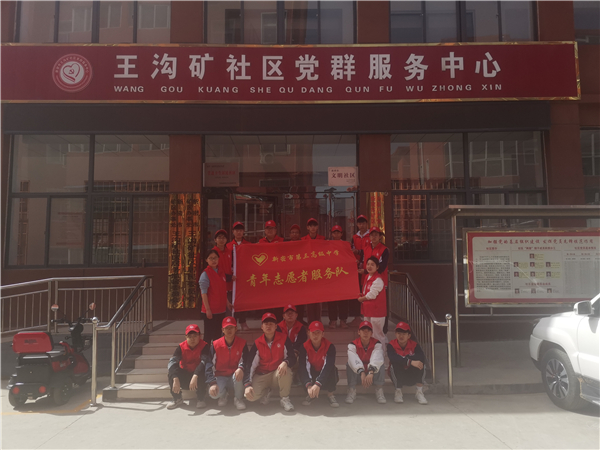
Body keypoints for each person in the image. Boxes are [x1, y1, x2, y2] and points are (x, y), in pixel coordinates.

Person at [244, 312, 297, 411]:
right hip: (262, 375)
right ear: (262, 327)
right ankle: (267, 391)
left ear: (276, 326)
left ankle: (285, 399)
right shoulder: (257, 343)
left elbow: (292, 357)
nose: (268, 326)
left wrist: (285, 362)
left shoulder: (284, 339)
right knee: (250, 397)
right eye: (266, 324)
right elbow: (250, 365)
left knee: (286, 370)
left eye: (271, 324)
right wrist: (247, 384)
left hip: (277, 374)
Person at [206, 316, 249, 410]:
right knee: (213, 394)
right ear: (222, 330)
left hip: (235, 376)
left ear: (236, 329)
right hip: (220, 376)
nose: (229, 330)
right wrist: (212, 383)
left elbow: (246, 361)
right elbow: (209, 364)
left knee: (239, 373)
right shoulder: (216, 344)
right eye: (226, 328)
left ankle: (238, 399)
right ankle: (223, 394)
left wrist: (241, 368)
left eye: (231, 327)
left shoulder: (242, 343)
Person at [167, 324, 210, 410]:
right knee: (172, 372)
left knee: (204, 370)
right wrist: (175, 378)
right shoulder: (181, 347)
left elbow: (204, 362)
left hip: (198, 376)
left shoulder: (204, 346)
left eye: (195, 336)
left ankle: (201, 398)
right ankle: (177, 398)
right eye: (190, 336)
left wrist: (195, 375)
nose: (192, 339)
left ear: (200, 336)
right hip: (186, 375)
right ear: (186, 337)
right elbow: (172, 362)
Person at [298, 321, 340, 408]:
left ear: (323, 334)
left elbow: (328, 366)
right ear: (308, 333)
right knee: (301, 370)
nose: (315, 335)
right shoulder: (304, 347)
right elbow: (303, 367)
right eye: (313, 333)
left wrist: (318, 383)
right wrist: (308, 385)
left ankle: (330, 394)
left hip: (324, 373)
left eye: (318, 333)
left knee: (332, 369)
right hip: (313, 371)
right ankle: (311, 394)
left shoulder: (330, 346)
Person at [387, 321, 428, 405]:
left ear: (409, 336)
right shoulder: (391, 345)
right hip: (398, 375)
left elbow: (421, 357)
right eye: (399, 333)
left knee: (420, 364)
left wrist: (406, 360)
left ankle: (419, 392)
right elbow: (393, 358)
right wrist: (409, 361)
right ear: (395, 334)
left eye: (404, 334)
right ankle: (398, 392)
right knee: (394, 364)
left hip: (411, 374)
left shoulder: (414, 345)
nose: (401, 336)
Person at [345, 320, 386, 404]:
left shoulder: (377, 343)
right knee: (349, 363)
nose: (365, 333)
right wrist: (361, 372)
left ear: (371, 333)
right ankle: (352, 390)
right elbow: (353, 359)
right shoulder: (353, 344)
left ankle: (379, 389)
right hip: (359, 376)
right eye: (363, 330)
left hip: (372, 375)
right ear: (359, 332)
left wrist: (371, 372)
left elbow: (377, 358)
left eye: (368, 331)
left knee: (380, 363)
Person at [199, 249, 232, 344]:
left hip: (221, 310)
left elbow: (223, 290)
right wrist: (208, 310)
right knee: (208, 335)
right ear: (206, 260)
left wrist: (227, 303)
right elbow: (204, 293)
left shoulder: (221, 272)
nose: (213, 260)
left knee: (218, 335)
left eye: (215, 258)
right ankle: (206, 353)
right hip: (211, 310)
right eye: (211, 258)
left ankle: (216, 352)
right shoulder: (205, 274)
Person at [361, 226, 390, 333]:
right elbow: (362, 260)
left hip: (380, 282)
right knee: (368, 305)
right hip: (367, 281)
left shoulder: (384, 250)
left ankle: (383, 330)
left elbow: (382, 267)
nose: (373, 237)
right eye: (372, 235)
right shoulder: (366, 248)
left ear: (380, 236)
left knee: (381, 307)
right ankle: (368, 331)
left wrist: (365, 271)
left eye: (376, 235)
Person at [226, 222, 251, 331]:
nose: (239, 232)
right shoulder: (228, 246)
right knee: (233, 300)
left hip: (244, 278)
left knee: (243, 300)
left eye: (241, 230)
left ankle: (243, 321)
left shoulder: (248, 245)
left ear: (243, 231)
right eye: (236, 230)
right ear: (233, 232)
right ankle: (233, 322)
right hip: (233, 278)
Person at [357, 256, 387, 346]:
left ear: (377, 267)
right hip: (368, 310)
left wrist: (362, 298)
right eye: (368, 264)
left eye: (372, 265)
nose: (369, 266)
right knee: (369, 334)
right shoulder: (367, 276)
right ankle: (372, 352)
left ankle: (380, 353)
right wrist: (361, 294)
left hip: (377, 312)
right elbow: (367, 291)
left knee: (377, 334)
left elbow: (372, 294)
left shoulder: (378, 279)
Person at [302, 218, 325, 323]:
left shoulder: (322, 239)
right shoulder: (302, 240)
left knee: (318, 298)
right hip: (307, 273)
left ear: (317, 227)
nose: (312, 228)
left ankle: (318, 321)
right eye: (310, 226)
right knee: (309, 298)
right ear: (307, 227)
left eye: (314, 225)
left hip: (319, 272)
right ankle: (311, 321)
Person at [327, 225, 350, 329]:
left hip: (342, 276)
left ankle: (343, 320)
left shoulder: (346, 245)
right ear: (332, 234)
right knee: (331, 299)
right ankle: (332, 320)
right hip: (331, 275)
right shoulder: (328, 245)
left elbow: (349, 257)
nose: (336, 234)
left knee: (343, 299)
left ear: (341, 234)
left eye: (338, 232)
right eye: (334, 232)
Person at [349, 215, 370, 326]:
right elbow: (351, 251)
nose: (361, 225)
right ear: (357, 225)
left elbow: (369, 250)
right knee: (357, 292)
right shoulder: (354, 237)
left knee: (367, 291)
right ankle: (357, 317)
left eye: (363, 223)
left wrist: (358, 252)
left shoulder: (371, 235)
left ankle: (367, 316)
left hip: (368, 268)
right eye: (359, 223)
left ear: (367, 224)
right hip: (356, 269)